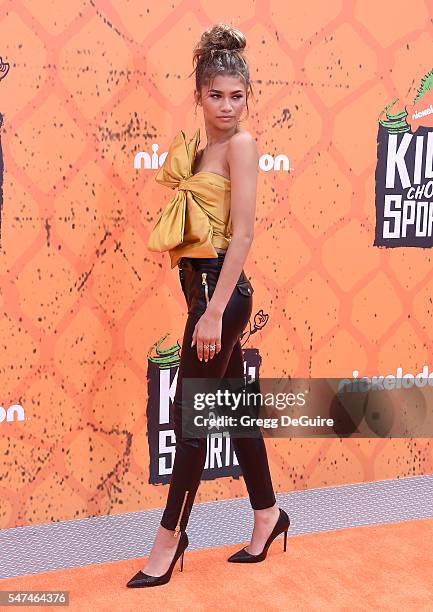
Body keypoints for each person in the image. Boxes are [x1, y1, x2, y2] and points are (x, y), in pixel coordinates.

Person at [127, 23, 290, 589]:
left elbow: (242, 235)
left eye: (237, 96)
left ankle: (169, 539)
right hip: (204, 294)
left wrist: (214, 314)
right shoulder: (201, 149)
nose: (227, 106)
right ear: (198, 94)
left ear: (249, 96)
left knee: (190, 422)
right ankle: (267, 513)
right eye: (216, 94)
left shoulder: (242, 146)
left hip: (222, 298)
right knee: (231, 409)